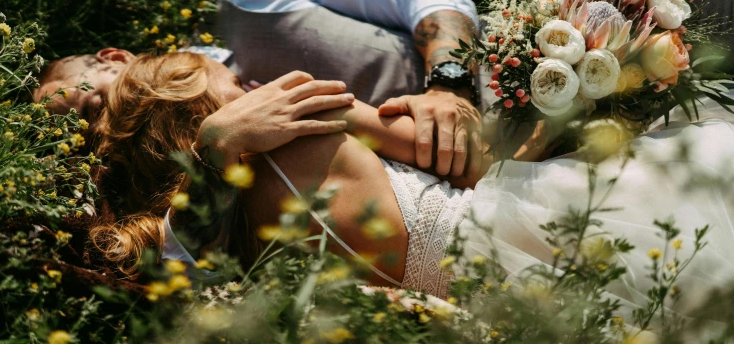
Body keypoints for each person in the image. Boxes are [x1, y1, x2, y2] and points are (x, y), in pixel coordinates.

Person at [90, 50, 734, 324]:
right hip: (514, 214)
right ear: (201, 98)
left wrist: (216, 145)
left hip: (487, 292)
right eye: (224, 78)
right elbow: (474, 163)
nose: (246, 82)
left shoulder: (208, 236)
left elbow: (165, 256)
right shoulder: (299, 117)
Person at [35, 0, 485, 178]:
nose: (101, 132)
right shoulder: (194, 168)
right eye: (86, 140)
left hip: (498, 81)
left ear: (113, 58)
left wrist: (449, 83)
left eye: (91, 107)